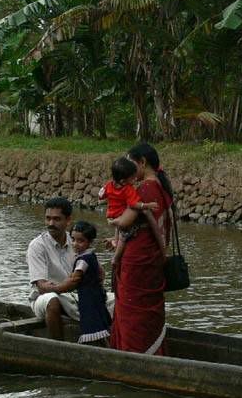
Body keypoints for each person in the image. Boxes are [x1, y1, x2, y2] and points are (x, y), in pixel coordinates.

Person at [108, 142, 174, 355]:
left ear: (142, 163)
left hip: (138, 262)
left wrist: (112, 221)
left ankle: (133, 356)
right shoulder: (162, 188)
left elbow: (126, 223)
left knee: (132, 314)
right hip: (152, 259)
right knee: (145, 314)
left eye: (130, 163)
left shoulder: (145, 189)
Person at [26, 197, 113, 340]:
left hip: (75, 294)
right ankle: (59, 347)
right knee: (52, 300)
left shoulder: (77, 240)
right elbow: (41, 287)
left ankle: (114, 341)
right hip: (45, 297)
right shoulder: (37, 246)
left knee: (116, 300)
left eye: (56, 219)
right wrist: (66, 286)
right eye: (48, 218)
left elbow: (98, 275)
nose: (51, 223)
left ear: (68, 220)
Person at [46, 220, 112, 346]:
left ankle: (96, 346)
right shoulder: (91, 255)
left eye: (80, 241)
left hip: (88, 297)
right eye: (73, 240)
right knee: (101, 319)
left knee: (91, 322)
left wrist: (54, 288)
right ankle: (108, 344)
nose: (75, 244)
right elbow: (101, 274)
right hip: (97, 294)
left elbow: (75, 279)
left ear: (89, 242)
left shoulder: (83, 260)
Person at [99, 157, 165, 268]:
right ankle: (116, 258)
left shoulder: (109, 185)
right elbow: (134, 204)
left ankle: (114, 240)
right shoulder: (128, 189)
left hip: (111, 215)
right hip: (120, 216)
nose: (135, 181)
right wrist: (146, 205)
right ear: (123, 181)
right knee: (123, 237)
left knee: (118, 231)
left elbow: (101, 195)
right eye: (132, 179)